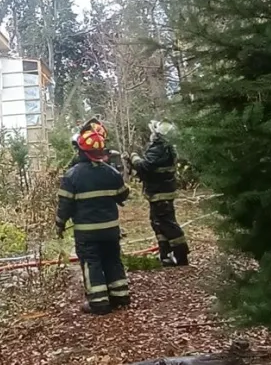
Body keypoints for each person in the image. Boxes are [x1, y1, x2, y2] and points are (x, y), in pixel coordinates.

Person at [56, 118, 131, 314]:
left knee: (92, 262)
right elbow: (123, 194)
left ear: (80, 150)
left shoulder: (72, 176)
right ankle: (120, 296)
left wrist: (60, 224)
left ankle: (99, 303)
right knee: (113, 259)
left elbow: (65, 204)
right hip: (110, 229)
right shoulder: (112, 173)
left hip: (87, 232)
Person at [130, 120, 189, 266]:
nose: (151, 135)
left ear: (158, 135)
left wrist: (134, 158)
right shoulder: (164, 148)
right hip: (160, 192)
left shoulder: (159, 149)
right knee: (159, 224)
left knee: (167, 224)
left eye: (153, 132)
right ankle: (166, 256)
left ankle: (181, 256)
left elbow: (145, 167)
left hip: (160, 193)